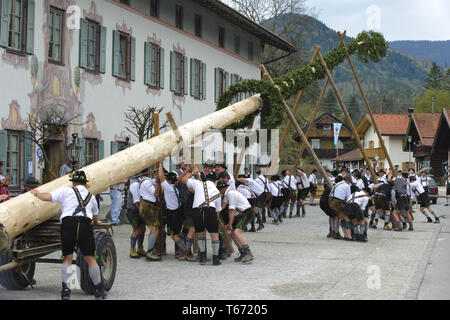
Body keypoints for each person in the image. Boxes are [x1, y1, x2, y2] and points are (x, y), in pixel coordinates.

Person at [30, 170, 107, 300]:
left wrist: (36, 193)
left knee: (68, 258)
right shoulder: (91, 196)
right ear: (85, 184)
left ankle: (66, 291)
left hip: (68, 223)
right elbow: (95, 217)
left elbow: (47, 197)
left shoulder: (66, 191)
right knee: (90, 259)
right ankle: (99, 290)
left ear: (73, 183)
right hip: (84, 224)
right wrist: (94, 222)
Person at [182, 168, 223, 265]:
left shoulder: (198, 184)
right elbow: (218, 210)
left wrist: (193, 172)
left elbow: (184, 179)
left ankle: (203, 258)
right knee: (214, 235)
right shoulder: (217, 191)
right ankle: (215, 259)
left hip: (197, 211)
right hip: (210, 210)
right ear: (215, 181)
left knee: (201, 234)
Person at [217, 181, 255, 263]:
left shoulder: (231, 194)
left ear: (222, 189)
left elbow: (231, 210)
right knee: (233, 233)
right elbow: (224, 205)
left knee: (236, 232)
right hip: (241, 213)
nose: (219, 192)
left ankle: (248, 253)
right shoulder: (227, 193)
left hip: (246, 213)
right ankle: (243, 252)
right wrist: (217, 212)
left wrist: (230, 224)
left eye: (219, 190)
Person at [139, 169, 162, 261]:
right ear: (148, 173)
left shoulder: (147, 181)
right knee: (154, 229)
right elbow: (156, 193)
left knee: (154, 229)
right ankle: (150, 252)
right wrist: (157, 180)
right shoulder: (146, 183)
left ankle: (151, 249)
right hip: (148, 207)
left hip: (149, 206)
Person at [126, 170, 148, 259]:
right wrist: (141, 212)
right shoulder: (135, 184)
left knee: (143, 228)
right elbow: (136, 201)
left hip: (137, 209)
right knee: (136, 229)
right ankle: (132, 250)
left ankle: (140, 248)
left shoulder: (139, 182)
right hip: (133, 210)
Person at [329, 176, 352, 240]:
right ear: (347, 180)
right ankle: (348, 236)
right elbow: (349, 198)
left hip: (330, 200)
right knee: (346, 217)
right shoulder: (347, 186)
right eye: (349, 182)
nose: (349, 184)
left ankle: (334, 232)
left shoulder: (337, 183)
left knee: (336, 216)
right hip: (337, 202)